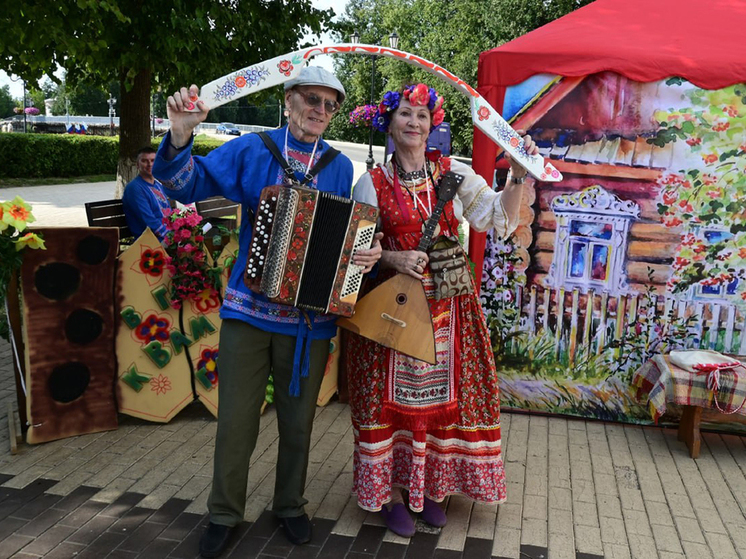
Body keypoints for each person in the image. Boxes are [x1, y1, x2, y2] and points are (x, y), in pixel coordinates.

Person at [152, 66, 381, 558]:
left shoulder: (341, 168)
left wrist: (364, 251)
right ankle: (223, 513)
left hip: (309, 323)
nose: (320, 111)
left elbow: (349, 238)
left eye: (329, 104)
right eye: (311, 100)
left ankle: (290, 505)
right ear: (289, 100)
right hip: (248, 312)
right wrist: (180, 133)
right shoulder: (254, 149)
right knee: (237, 420)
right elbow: (185, 185)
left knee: (299, 423)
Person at [347, 83, 538, 537]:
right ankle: (392, 496)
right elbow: (357, 249)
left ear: (432, 126)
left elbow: (498, 219)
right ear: (389, 124)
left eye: (421, 116)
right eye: (404, 115)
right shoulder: (370, 183)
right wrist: (392, 257)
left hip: (450, 307)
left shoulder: (453, 174)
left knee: (446, 402)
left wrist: (516, 176)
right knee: (388, 402)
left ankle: (433, 489)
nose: (413, 123)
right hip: (395, 307)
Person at [122, 146, 171, 240]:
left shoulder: (158, 185)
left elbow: (168, 213)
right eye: (144, 161)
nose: (149, 164)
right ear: (137, 164)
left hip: (165, 236)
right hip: (150, 241)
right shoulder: (134, 188)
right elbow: (148, 221)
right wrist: (171, 237)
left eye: (153, 160)